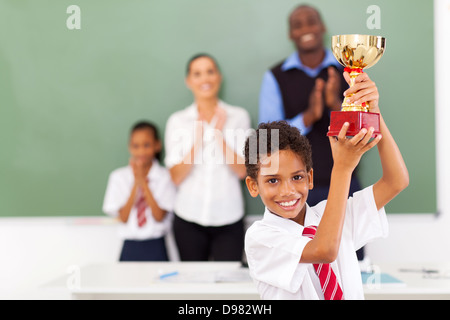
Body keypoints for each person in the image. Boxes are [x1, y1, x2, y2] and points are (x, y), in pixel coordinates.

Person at [244, 72, 409, 299]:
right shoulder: (260, 238)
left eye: (297, 177)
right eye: (272, 180)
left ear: (310, 178)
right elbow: (324, 251)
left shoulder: (333, 214)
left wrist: (374, 112)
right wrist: (342, 168)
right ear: (253, 186)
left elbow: (396, 181)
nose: (287, 190)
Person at [259, 3, 367, 260]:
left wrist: (333, 107)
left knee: (349, 261)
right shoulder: (275, 77)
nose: (306, 28)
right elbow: (267, 139)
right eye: (298, 25)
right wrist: (308, 116)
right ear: (291, 34)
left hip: (346, 184)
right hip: (294, 191)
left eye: (311, 21)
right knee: (303, 264)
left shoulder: (350, 73)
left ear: (322, 28)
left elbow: (365, 132)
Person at [164, 53, 251, 261]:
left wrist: (218, 135)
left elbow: (243, 171)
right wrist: (198, 137)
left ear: (219, 77)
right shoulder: (177, 121)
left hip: (229, 217)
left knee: (227, 288)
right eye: (197, 74)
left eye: (210, 72)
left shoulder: (239, 116)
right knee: (193, 289)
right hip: (188, 217)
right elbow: (176, 177)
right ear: (188, 81)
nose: (205, 79)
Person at [103, 121, 176, 261]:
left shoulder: (165, 177)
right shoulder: (119, 177)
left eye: (146, 145)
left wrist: (144, 182)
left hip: (156, 244)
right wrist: (137, 183)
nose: (141, 151)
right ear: (130, 147)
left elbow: (159, 216)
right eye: (136, 146)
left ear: (157, 145)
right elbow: (123, 217)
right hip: (130, 245)